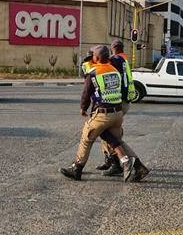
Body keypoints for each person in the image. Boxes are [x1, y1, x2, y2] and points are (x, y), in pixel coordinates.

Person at [60, 45, 144, 182]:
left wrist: (83, 108)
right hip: (117, 113)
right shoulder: (115, 71)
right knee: (117, 141)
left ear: (97, 58)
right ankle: (139, 167)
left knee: (87, 137)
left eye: (93, 56)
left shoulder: (94, 73)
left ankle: (77, 168)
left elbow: (86, 93)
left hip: (103, 114)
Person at [96, 39, 143, 178]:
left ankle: (119, 163)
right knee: (107, 132)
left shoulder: (115, 60)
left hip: (118, 101)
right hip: (125, 100)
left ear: (113, 48)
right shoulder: (124, 59)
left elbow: (105, 74)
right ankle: (110, 160)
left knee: (109, 133)